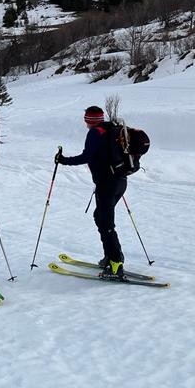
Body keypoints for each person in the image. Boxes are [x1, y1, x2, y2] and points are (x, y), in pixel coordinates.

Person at [55, 105, 127, 278]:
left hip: (107, 184)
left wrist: (64, 160)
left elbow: (86, 156)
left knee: (105, 222)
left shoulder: (96, 133)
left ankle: (116, 262)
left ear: (89, 120)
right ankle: (111, 257)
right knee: (101, 217)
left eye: (86, 119)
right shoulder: (112, 129)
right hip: (120, 181)